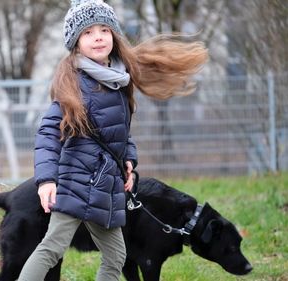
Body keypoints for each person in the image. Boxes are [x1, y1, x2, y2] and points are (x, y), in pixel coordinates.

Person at [17, 0, 208, 280]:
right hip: (75, 183)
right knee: (52, 249)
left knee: (117, 255)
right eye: (88, 32)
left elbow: (120, 133)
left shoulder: (118, 80)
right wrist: (46, 180)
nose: (97, 36)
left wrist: (129, 161)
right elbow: (48, 133)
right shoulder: (74, 83)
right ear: (76, 43)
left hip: (105, 187)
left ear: (114, 36)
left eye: (104, 30)